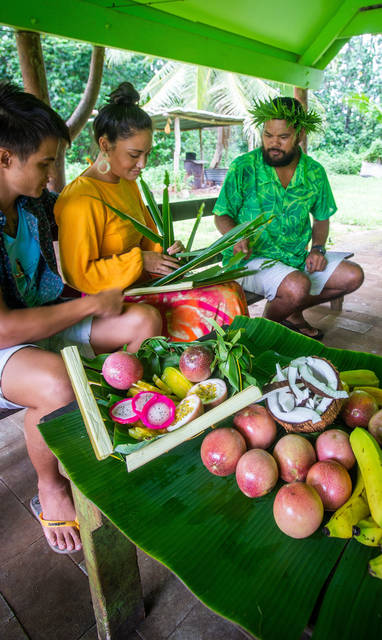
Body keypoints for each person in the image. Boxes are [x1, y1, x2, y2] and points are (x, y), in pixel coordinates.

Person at [0, 82, 162, 554]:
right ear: (5, 157)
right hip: (8, 345)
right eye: (45, 163)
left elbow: (88, 201)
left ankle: (120, 422)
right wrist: (93, 302)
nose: (53, 176)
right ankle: (49, 485)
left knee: (144, 322)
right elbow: (5, 328)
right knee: (57, 384)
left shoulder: (34, 206)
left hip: (45, 322)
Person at [54, 82, 248, 341]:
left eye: (147, 154)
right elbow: (78, 275)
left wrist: (166, 255)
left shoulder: (127, 183)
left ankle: (215, 375)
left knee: (230, 288)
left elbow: (150, 242)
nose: (142, 164)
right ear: (104, 145)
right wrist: (140, 261)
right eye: (134, 154)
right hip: (109, 303)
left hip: (143, 287)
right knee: (221, 299)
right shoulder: (80, 198)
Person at [214, 96, 364, 339]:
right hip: (250, 261)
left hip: (295, 258)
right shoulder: (244, 167)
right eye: (267, 135)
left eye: (283, 137)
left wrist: (317, 249)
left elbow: (322, 217)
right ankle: (264, 332)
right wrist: (235, 236)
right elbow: (222, 215)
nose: (273, 143)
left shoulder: (314, 172)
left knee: (353, 275)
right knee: (297, 286)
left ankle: (287, 312)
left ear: (300, 134)